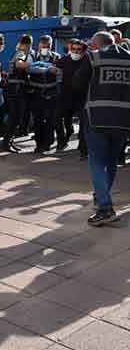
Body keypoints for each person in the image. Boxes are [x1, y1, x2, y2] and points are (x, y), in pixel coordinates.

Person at [73, 31, 130, 226]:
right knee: (111, 162)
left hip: (98, 118)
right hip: (124, 120)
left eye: (92, 43)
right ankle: (100, 197)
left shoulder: (94, 57)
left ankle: (105, 208)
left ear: (98, 44)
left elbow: (77, 83)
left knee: (96, 163)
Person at [28, 35, 60, 154]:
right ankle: (39, 143)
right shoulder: (33, 56)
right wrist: (46, 69)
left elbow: (59, 72)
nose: (46, 48)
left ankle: (47, 143)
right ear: (39, 46)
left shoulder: (56, 57)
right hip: (36, 93)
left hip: (51, 92)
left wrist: (55, 70)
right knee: (38, 119)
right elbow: (29, 69)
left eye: (48, 46)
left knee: (50, 119)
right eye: (44, 46)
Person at [1, 35, 34, 153]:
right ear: (29, 45)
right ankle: (6, 143)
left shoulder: (17, 52)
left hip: (14, 90)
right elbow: (19, 64)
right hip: (16, 91)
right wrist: (34, 65)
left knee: (15, 118)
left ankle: (8, 142)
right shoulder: (21, 53)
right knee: (14, 118)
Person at [55, 39, 88, 155]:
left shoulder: (87, 60)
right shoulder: (64, 60)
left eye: (78, 50)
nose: (75, 51)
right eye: (73, 49)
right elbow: (55, 69)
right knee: (57, 117)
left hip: (82, 96)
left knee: (84, 121)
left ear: (84, 51)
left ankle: (83, 146)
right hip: (65, 95)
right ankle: (61, 139)